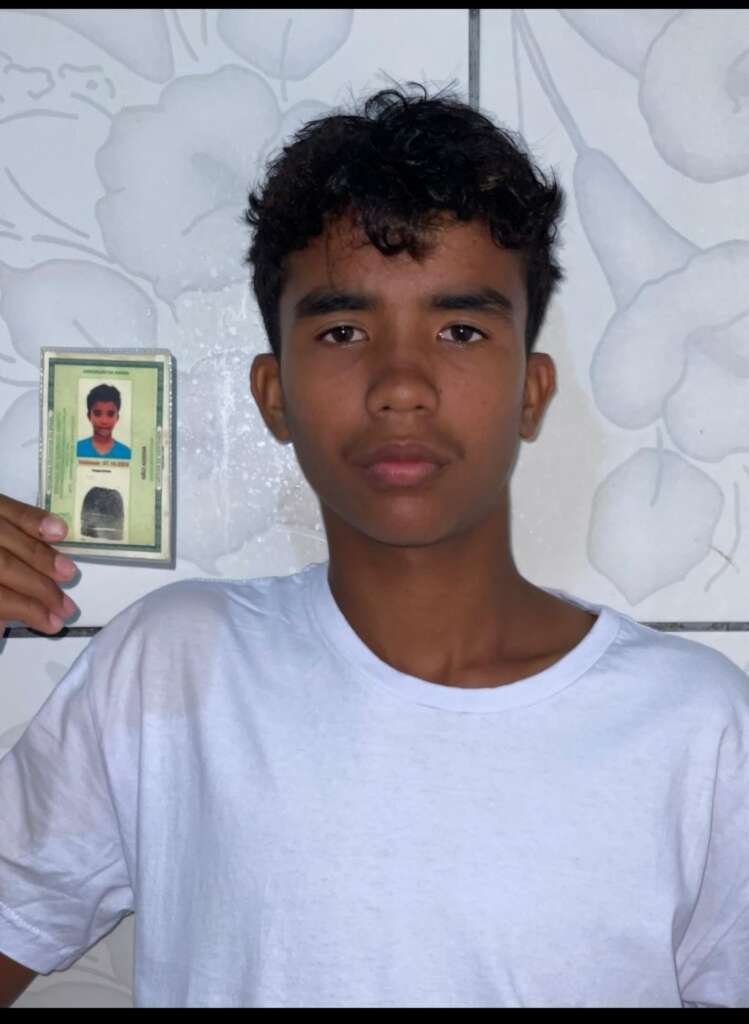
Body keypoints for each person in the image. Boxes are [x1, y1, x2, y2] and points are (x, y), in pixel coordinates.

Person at [0, 84, 747, 1009]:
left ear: (530, 390)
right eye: (344, 330)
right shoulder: (170, 670)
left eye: (460, 329)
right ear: (273, 394)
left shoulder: (696, 728)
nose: (400, 383)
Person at [76, 384, 132, 460]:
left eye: (110, 414)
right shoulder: (77, 449)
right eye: (97, 414)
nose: (104, 421)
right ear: (89, 416)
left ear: (117, 417)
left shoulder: (127, 453)